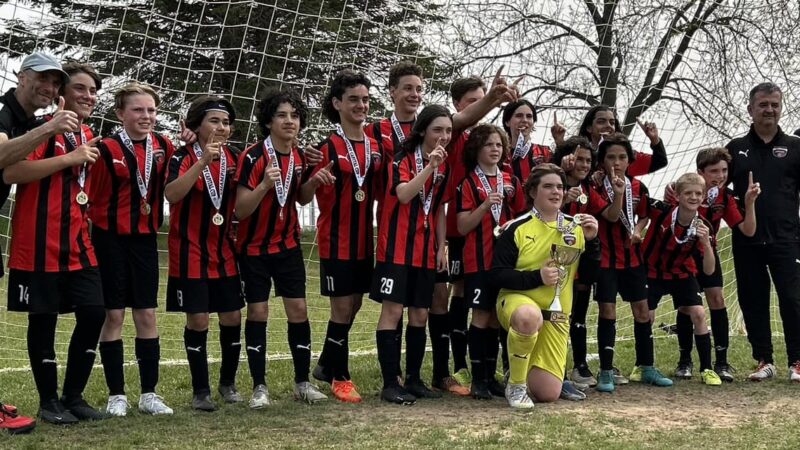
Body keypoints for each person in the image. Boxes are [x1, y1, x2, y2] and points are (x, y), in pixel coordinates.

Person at [4, 62, 105, 425]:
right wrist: (70, 158)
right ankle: (49, 402)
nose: (88, 96)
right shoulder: (41, 128)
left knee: (94, 312)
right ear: (62, 94)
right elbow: (12, 172)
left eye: (93, 91)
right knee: (44, 319)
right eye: (80, 89)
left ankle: (73, 396)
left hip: (78, 243)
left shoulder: (88, 133)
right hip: (38, 242)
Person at [235, 88, 329, 407]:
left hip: (288, 245)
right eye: (282, 115)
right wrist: (264, 185)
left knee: (299, 309)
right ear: (268, 121)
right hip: (253, 249)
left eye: (295, 115)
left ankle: (302, 383)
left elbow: (300, 198)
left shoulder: (300, 156)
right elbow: (240, 210)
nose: (290, 121)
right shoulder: (252, 157)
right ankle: (259, 387)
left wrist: (313, 182)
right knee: (258, 311)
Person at [0, 51, 74, 432]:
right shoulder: (3, 112)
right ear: (22, 76)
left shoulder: (27, 120)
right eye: (43, 78)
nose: (50, 87)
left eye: (56, 82)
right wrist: (49, 129)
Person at [90, 82, 174, 416]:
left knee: (147, 314)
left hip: (145, 240)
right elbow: (91, 197)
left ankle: (149, 394)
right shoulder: (106, 148)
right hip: (109, 240)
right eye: (138, 109)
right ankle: (117, 395)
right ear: (120, 113)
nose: (146, 116)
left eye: (151, 110)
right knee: (113, 315)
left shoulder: (164, 146)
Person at [491, 163, 599, 408]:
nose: (556, 192)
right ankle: (516, 385)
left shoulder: (576, 228)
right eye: (548, 186)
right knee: (528, 317)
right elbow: (497, 276)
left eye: (560, 187)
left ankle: (522, 364)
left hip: (557, 314)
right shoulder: (516, 227)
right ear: (532, 192)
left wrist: (593, 242)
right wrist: (537, 277)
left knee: (548, 393)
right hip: (518, 302)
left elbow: (589, 276)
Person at [164, 96, 244, 411]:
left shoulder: (236, 157)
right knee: (198, 319)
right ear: (197, 126)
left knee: (232, 316)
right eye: (214, 121)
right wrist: (201, 163)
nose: (221, 127)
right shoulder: (182, 156)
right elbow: (171, 194)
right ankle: (201, 391)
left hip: (225, 252)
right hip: (190, 251)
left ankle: (228, 383)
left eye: (226, 122)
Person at [307, 70, 382, 403]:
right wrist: (314, 180)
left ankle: (326, 363)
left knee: (354, 305)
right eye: (353, 99)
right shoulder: (325, 148)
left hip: (364, 241)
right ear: (337, 103)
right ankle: (341, 376)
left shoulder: (377, 148)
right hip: (335, 240)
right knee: (341, 308)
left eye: (365, 99)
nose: (361, 105)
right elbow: (302, 196)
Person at [372, 105, 451, 405]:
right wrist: (429, 167)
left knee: (420, 314)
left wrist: (441, 245)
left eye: (448, 130)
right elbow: (404, 194)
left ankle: (415, 379)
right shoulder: (401, 159)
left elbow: (439, 208)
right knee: (393, 312)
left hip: (425, 251)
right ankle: (390, 383)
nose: (444, 136)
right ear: (422, 131)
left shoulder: (444, 165)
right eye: (437, 130)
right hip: (396, 249)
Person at [726, 82, 800, 382]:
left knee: (793, 299)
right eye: (763, 104)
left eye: (774, 104)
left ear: (781, 108)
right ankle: (764, 360)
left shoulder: (795, 147)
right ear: (750, 109)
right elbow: (716, 187)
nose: (769, 109)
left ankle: (797, 361)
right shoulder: (734, 148)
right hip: (747, 238)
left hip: (787, 238)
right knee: (753, 299)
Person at [664, 148, 758, 382]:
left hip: (708, 253)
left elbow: (747, 230)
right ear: (700, 172)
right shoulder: (684, 191)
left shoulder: (724, 197)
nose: (720, 175)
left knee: (717, 299)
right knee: (687, 306)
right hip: (683, 255)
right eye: (714, 171)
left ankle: (722, 362)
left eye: (724, 170)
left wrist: (749, 203)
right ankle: (685, 361)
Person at [591, 133, 672, 392]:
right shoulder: (595, 187)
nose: (616, 162)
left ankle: (646, 367)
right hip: (605, 260)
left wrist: (638, 229)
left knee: (642, 311)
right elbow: (612, 216)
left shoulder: (638, 187)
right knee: (608, 312)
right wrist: (617, 194)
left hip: (633, 259)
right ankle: (606, 371)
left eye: (622, 157)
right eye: (610, 157)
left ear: (630, 160)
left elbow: (644, 215)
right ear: (602, 161)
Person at [456, 124, 526, 399]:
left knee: (497, 318)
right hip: (478, 261)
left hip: (505, 262)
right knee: (481, 316)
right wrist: (485, 205)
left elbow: (522, 218)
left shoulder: (511, 181)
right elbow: (462, 226)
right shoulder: (468, 183)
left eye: (498, 144)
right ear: (476, 149)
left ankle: (491, 375)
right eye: (488, 144)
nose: (495, 149)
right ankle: (478, 379)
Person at [551, 136, 622, 388]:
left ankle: (580, 365)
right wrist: (563, 199)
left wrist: (619, 195)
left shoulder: (588, 190)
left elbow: (611, 215)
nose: (583, 164)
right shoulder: (552, 184)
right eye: (579, 159)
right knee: (554, 314)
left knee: (578, 315)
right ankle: (552, 367)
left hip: (580, 262)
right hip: (552, 260)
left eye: (588, 161)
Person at [643, 173, 723, 386]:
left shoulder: (703, 226)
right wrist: (637, 229)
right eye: (688, 193)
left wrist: (706, 244)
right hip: (653, 271)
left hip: (682, 272)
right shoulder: (660, 211)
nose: (693, 197)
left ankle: (706, 369)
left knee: (698, 313)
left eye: (698, 193)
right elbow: (639, 209)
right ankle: (643, 365)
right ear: (677, 196)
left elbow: (709, 270)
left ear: (703, 197)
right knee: (646, 315)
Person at [502, 99, 552, 184]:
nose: (525, 120)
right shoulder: (499, 154)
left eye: (529, 116)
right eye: (519, 116)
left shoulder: (545, 152)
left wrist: (559, 142)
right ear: (507, 122)